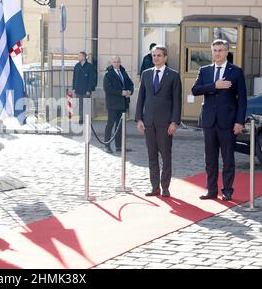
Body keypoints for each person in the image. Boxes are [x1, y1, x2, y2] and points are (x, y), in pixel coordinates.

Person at [191, 39, 247, 201]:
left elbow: (242, 99)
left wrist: (239, 122)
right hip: (209, 121)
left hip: (228, 122)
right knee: (210, 158)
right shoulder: (205, 70)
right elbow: (195, 90)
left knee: (228, 158)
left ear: (227, 51)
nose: (217, 53)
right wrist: (214, 85)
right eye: (215, 50)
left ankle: (228, 190)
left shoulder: (236, 71)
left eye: (220, 50)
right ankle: (211, 190)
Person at [135, 45, 182, 198]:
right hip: (148, 122)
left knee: (166, 156)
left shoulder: (173, 75)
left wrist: (174, 122)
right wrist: (139, 119)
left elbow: (177, 101)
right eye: (153, 55)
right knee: (151, 156)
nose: (156, 58)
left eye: (159, 55)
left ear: (165, 57)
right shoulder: (146, 74)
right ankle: (155, 187)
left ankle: (165, 187)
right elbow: (141, 97)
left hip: (165, 123)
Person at [103, 56, 134, 153]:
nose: (116, 63)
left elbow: (130, 84)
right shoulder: (108, 75)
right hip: (113, 104)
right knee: (110, 124)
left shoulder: (123, 72)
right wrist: (121, 93)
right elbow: (108, 89)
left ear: (120, 62)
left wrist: (130, 91)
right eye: (114, 62)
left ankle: (119, 146)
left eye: (118, 62)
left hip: (123, 104)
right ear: (111, 63)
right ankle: (106, 145)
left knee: (120, 126)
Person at [72, 51, 95, 124]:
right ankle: (80, 118)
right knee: (79, 105)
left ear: (84, 57)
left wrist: (89, 89)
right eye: (78, 56)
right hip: (78, 89)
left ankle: (87, 119)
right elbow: (74, 78)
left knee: (86, 104)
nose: (78, 57)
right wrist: (73, 88)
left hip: (86, 89)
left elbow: (91, 79)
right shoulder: (77, 66)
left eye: (80, 56)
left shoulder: (90, 66)